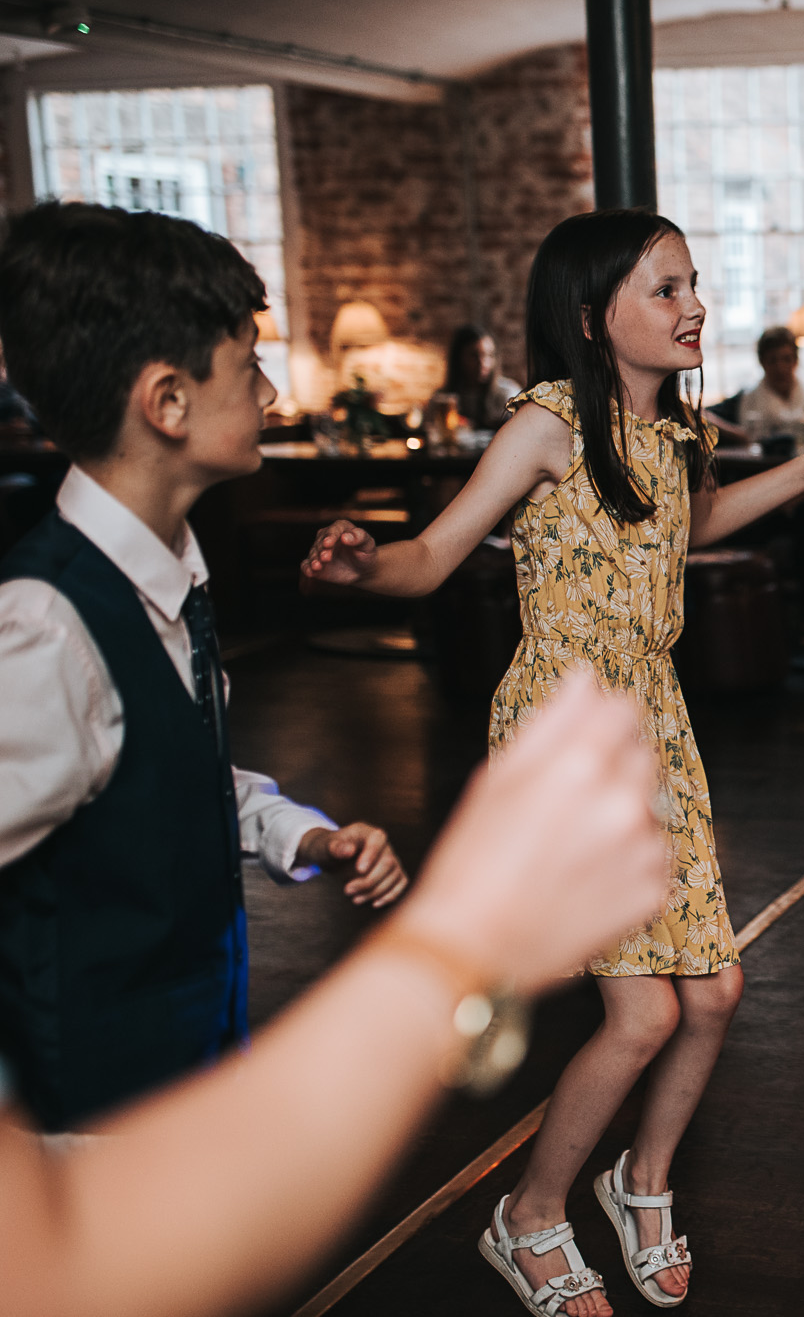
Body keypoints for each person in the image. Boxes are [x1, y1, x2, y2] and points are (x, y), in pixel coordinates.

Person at [301, 208, 804, 1317]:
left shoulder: (676, 434)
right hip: (568, 737)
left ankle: (641, 1180)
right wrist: (361, 567)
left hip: (656, 726)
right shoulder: (545, 424)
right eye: (665, 289)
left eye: (693, 284)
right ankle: (527, 1212)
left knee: (715, 991)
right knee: (643, 1016)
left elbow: (689, 528)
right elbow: (431, 556)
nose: (694, 307)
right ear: (592, 319)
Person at [1, 670, 671, 1317]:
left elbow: (182, 780)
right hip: (83, 1062)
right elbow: (49, 1270)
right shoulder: (40, 624)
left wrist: (304, 834)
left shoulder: (177, 614)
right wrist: (457, 940)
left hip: (186, 1028)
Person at [0, 203, 410, 1135]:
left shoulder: (172, 576)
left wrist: (302, 834)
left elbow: (159, 778)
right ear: (168, 401)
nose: (270, 393)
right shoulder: (43, 627)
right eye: (250, 363)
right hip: (82, 1133)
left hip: (185, 1088)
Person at [731, 325, 804, 451]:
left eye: (786, 359)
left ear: (796, 360)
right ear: (762, 362)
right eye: (773, 360)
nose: (780, 368)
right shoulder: (747, 398)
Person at [442, 324, 523, 428]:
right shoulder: (445, 399)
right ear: (458, 358)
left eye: (489, 355)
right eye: (474, 355)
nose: (483, 363)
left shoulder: (508, 395)